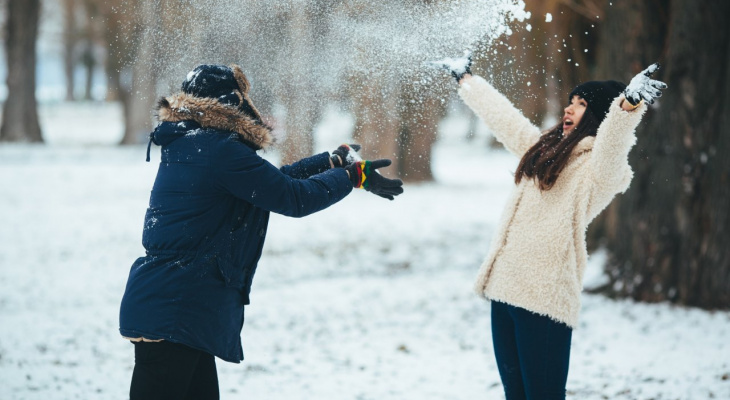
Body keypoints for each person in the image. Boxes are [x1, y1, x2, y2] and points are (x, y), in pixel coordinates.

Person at [119, 64, 403, 400]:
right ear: (231, 101)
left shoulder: (196, 144)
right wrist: (354, 177)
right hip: (177, 311)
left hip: (179, 310)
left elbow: (268, 184)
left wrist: (329, 163)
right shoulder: (218, 150)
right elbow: (292, 198)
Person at [441, 56, 666, 399]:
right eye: (570, 101)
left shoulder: (598, 172)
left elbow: (612, 145)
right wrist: (467, 80)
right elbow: (506, 121)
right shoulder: (545, 151)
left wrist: (626, 107)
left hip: (544, 300)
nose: (569, 108)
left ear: (598, 116)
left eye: (581, 104)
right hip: (505, 292)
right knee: (514, 394)